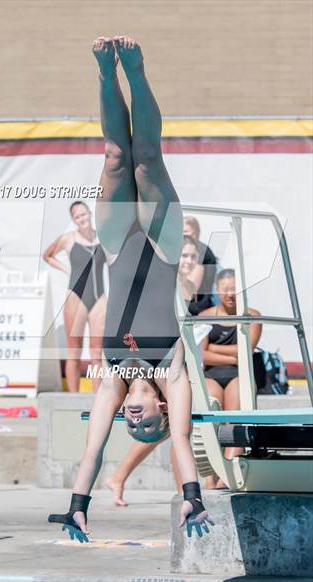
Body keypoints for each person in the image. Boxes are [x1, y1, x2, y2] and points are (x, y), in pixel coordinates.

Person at [48, 36, 213, 540]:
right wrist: (192, 499)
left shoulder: (112, 380)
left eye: (131, 425)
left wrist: (78, 505)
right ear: (161, 411)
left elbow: (93, 449)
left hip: (118, 245)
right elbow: (182, 443)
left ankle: (104, 74)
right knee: (147, 158)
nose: (135, 419)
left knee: (117, 156)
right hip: (163, 245)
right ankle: (137, 73)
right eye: (146, 426)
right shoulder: (174, 372)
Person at [106, 235, 201, 506]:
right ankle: (180, 489)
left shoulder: (188, 281)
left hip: (175, 357)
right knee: (172, 428)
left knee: (169, 428)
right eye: (185, 255)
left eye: (191, 257)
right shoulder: (165, 274)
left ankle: (123, 476)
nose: (188, 260)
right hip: (169, 358)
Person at [199, 268, 262, 488]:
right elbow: (201, 354)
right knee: (210, 421)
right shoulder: (205, 317)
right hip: (211, 375)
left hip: (238, 374)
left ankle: (228, 469)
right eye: (225, 289)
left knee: (233, 419)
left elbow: (247, 351)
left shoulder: (252, 316)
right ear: (217, 290)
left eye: (234, 289)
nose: (230, 294)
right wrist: (233, 354)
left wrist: (214, 348)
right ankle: (210, 477)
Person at [43, 202, 107, 392]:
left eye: (84, 214)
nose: (82, 219)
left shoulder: (102, 238)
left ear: (89, 213)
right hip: (76, 296)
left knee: (97, 351)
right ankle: (73, 396)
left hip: (99, 297)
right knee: (74, 350)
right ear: (73, 220)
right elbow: (47, 255)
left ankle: (99, 397)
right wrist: (66, 270)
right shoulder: (68, 239)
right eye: (77, 217)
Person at [183, 216, 217, 315]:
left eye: (185, 232)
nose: (181, 235)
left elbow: (191, 290)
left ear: (195, 232)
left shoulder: (200, 250)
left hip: (196, 310)